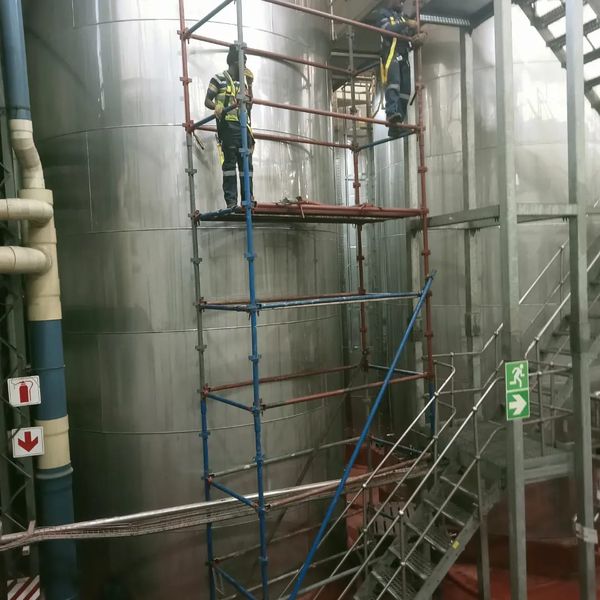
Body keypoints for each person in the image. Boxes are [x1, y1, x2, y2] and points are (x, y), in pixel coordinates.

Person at [204, 45, 255, 208]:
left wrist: (250, 85)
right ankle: (231, 202)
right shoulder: (218, 79)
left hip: (244, 128)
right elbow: (207, 100)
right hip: (228, 128)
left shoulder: (243, 84)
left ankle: (248, 199)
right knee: (230, 166)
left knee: (246, 166)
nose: (245, 67)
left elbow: (249, 106)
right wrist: (216, 107)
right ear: (235, 62)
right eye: (243, 63)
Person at [372, 0, 419, 138]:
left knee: (405, 90)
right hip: (391, 54)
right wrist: (406, 23)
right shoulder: (383, 14)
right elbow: (387, 30)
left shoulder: (403, 17)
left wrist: (418, 34)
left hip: (403, 56)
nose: (402, 3)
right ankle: (392, 114)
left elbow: (409, 34)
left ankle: (397, 124)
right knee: (394, 83)